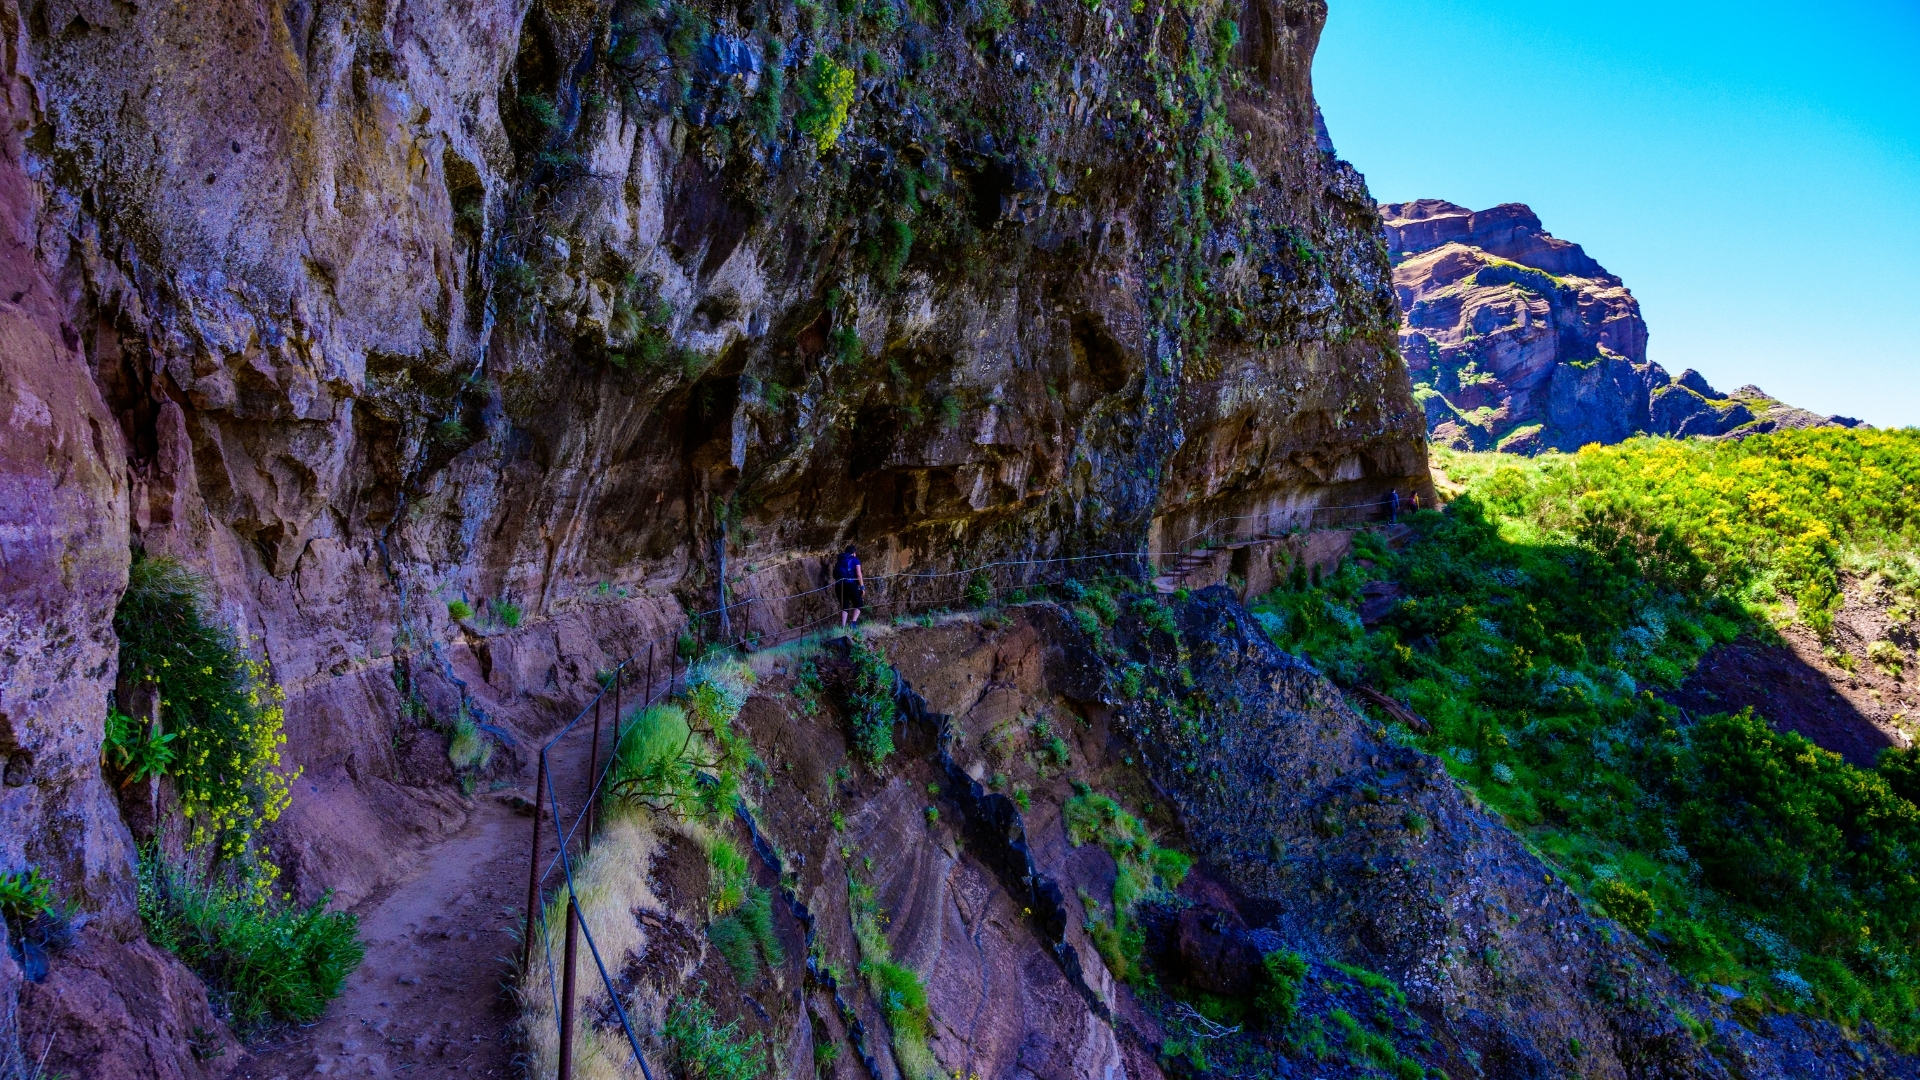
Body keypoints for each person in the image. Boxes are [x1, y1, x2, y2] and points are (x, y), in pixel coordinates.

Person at [834, 543, 865, 626]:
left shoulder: (840, 560)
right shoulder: (855, 560)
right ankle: (853, 623)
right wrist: (862, 587)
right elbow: (859, 574)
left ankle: (843, 627)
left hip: (839, 584)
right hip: (850, 584)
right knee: (859, 603)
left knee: (844, 606)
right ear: (854, 553)